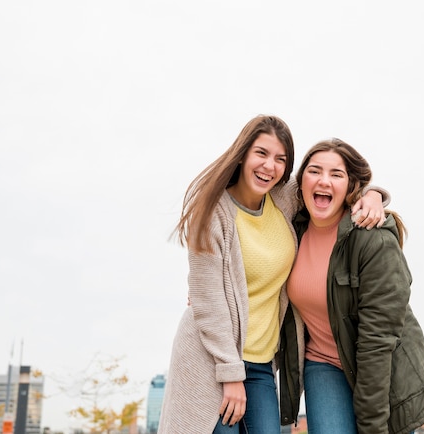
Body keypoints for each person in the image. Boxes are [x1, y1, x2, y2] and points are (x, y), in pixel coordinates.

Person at [157, 116, 388, 434]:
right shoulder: (212, 212)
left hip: (262, 365)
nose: (270, 166)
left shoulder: (281, 199)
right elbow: (208, 302)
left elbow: (327, 185)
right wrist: (230, 374)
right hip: (212, 360)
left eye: (280, 159)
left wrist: (373, 195)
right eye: (261, 153)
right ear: (242, 154)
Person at [280, 138, 424, 434]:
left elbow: (377, 342)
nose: (324, 180)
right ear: (300, 181)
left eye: (336, 174)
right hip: (323, 364)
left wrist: (372, 427)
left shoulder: (373, 240)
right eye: (314, 171)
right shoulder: (292, 229)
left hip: (383, 370)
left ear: (350, 185)